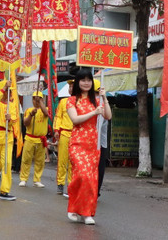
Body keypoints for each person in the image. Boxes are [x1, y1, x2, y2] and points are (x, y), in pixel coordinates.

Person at [66, 69, 112, 225]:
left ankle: (87, 213)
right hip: (77, 143)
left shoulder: (97, 100)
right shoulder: (72, 100)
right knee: (81, 175)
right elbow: (75, 119)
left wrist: (104, 98)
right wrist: (94, 113)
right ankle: (73, 207)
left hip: (93, 143)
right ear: (78, 82)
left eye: (89, 80)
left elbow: (108, 116)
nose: (86, 83)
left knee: (91, 179)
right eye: (83, 80)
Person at [19, 90, 49, 188]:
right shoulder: (28, 110)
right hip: (29, 138)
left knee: (40, 161)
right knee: (26, 160)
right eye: (34, 98)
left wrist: (40, 102)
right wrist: (31, 114)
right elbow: (25, 123)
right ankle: (23, 179)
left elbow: (46, 113)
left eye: (38, 98)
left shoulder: (45, 109)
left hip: (40, 140)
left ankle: (37, 179)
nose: (35, 100)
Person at [53, 81, 73, 196]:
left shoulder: (80, 102)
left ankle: (71, 184)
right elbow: (58, 116)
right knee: (62, 160)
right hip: (64, 133)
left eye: (72, 86)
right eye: (69, 86)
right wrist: (56, 130)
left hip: (76, 134)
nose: (70, 88)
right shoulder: (63, 102)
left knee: (73, 162)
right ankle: (60, 184)